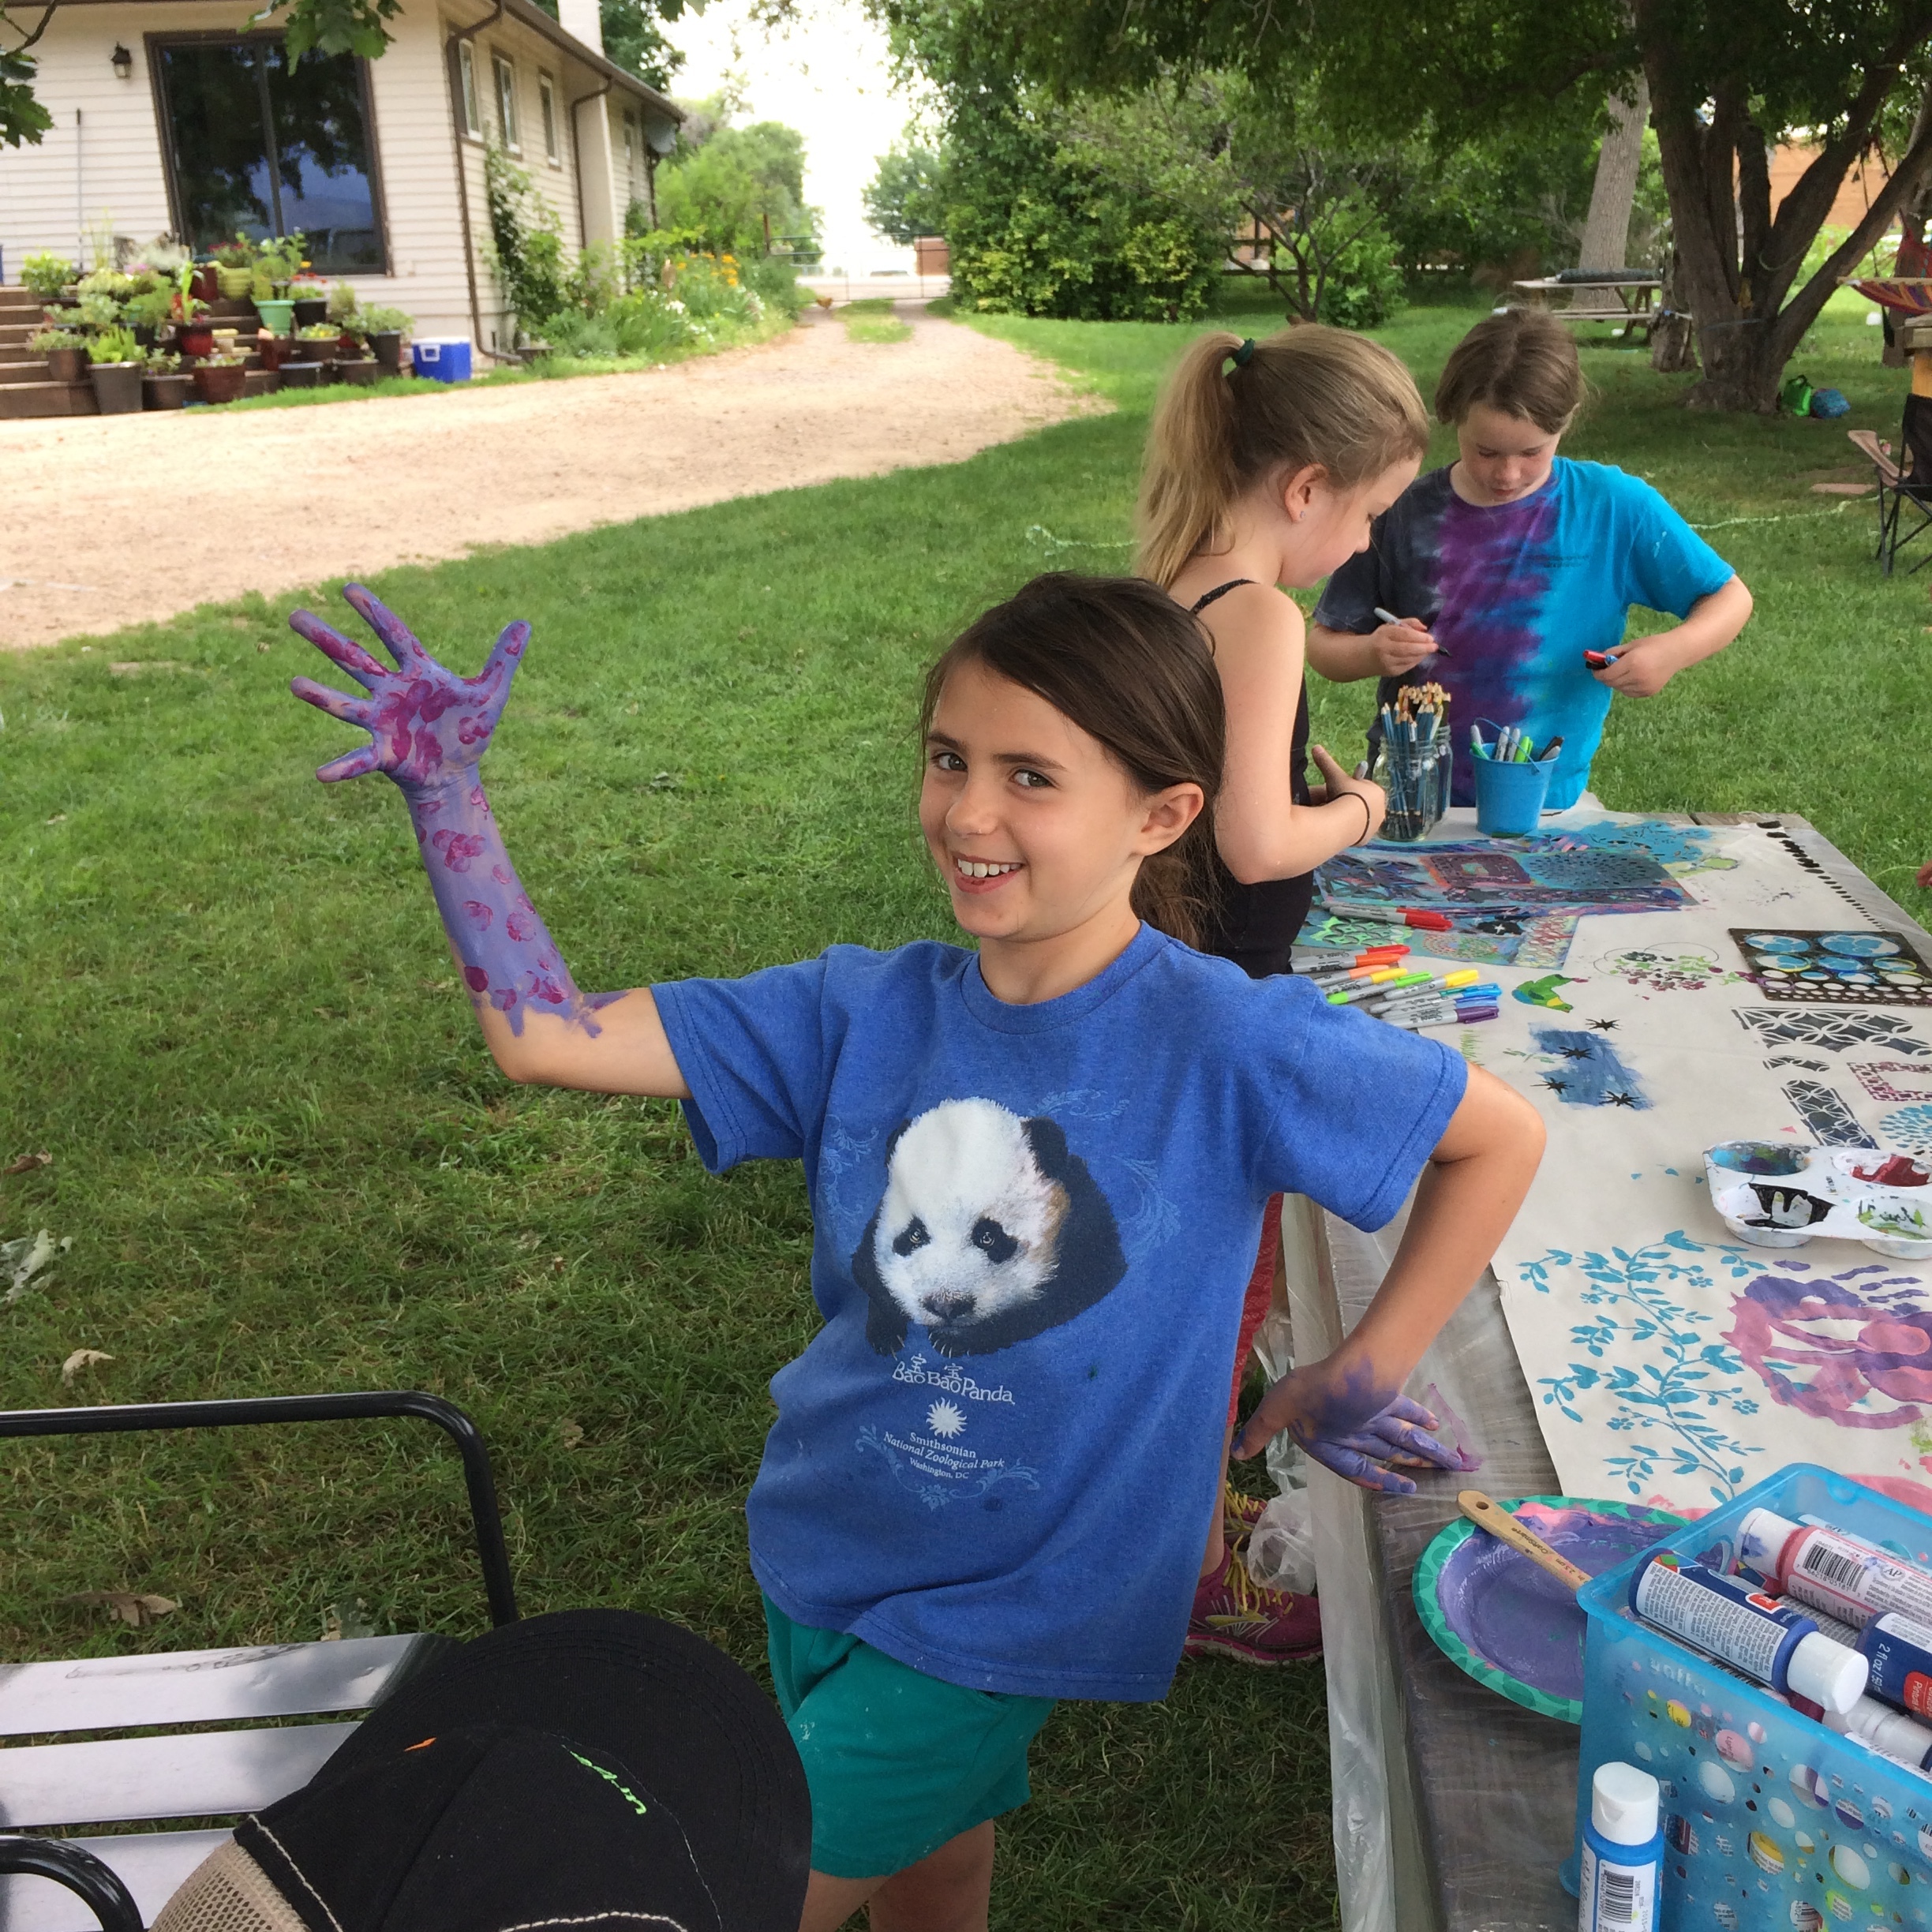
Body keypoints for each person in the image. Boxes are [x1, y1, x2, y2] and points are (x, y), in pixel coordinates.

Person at [286, 573, 1544, 1932]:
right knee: (932, 1865)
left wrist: (1366, 1364)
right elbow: (549, 1036)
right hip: (825, 1538)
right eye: (949, 759)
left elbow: (1497, 1138)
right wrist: (450, 801)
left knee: (728, 1897)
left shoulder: (1231, 1040)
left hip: (1015, 1603)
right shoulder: (857, 1012)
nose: (968, 813)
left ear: (1162, 814)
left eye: (1029, 776)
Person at [1136, 324, 1434, 1665]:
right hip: (1220, 1014)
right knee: (1220, 1296)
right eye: (1366, 515)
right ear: (1305, 486)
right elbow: (1257, 843)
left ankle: (1177, 1518)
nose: (1363, 544)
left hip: (1162, 986)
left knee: (1179, 1282)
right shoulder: (1255, 614)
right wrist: (1362, 806)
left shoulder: (1177, 584)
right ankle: (1197, 1579)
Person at [1308, 307, 1754, 811]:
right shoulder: (1400, 512)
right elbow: (1324, 646)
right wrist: (1372, 653)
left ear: (1568, 419)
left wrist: (1673, 651)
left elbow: (1729, 597)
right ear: (1454, 415)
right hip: (1413, 795)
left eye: (1532, 453)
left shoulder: (1612, 507)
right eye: (1486, 451)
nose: (1508, 474)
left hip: (1545, 801)